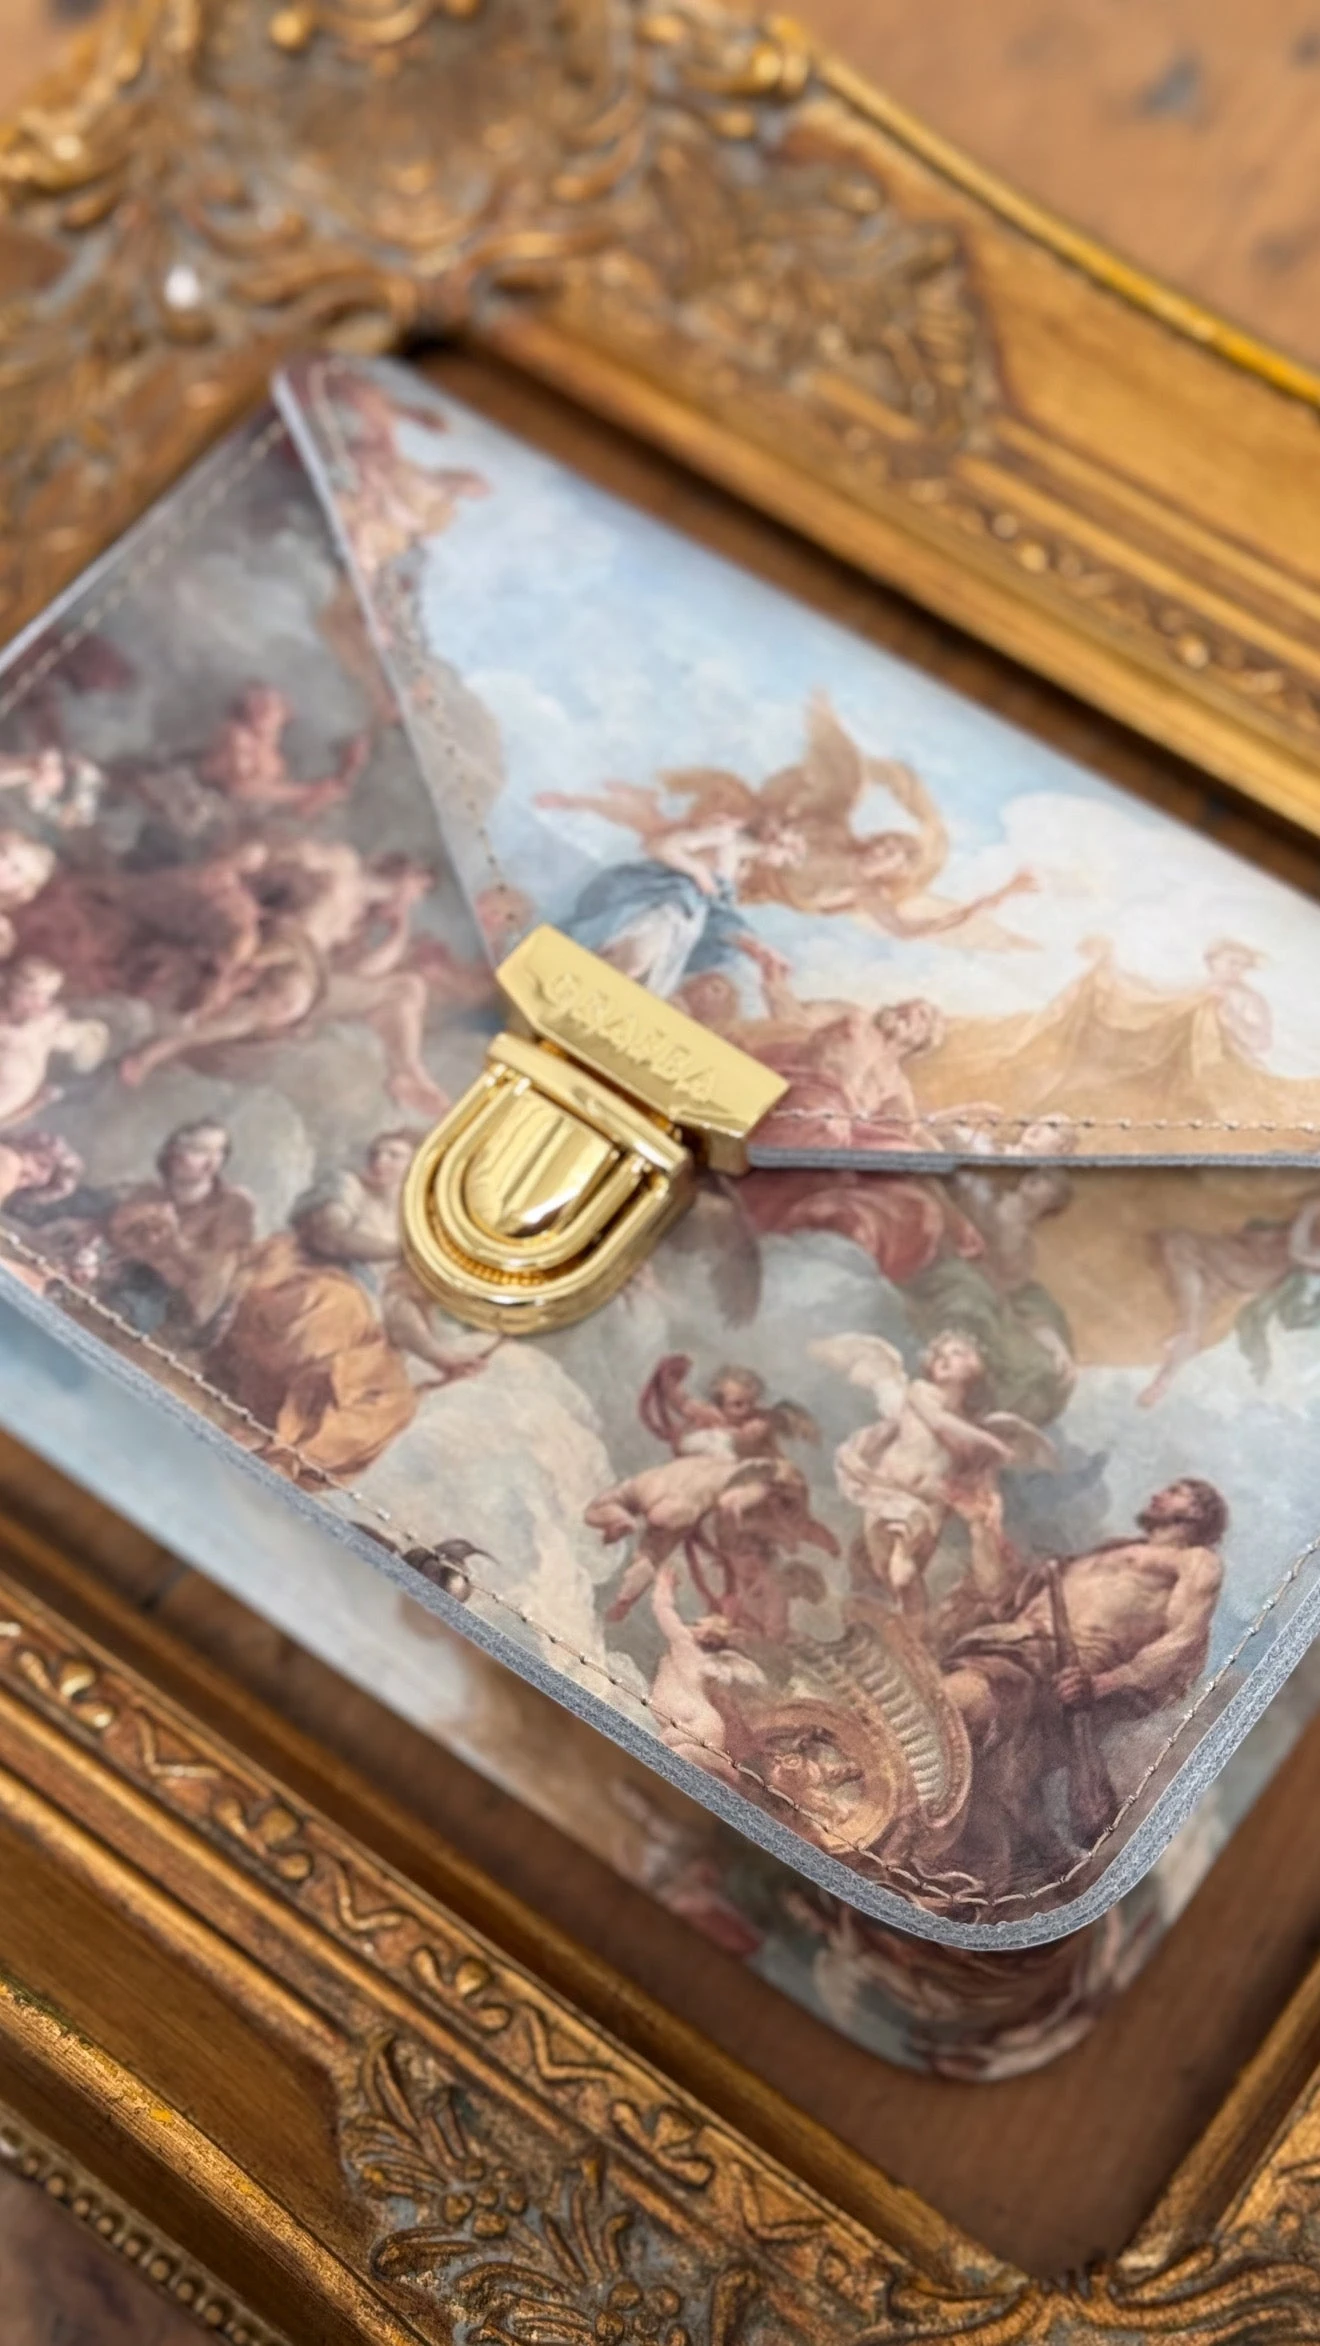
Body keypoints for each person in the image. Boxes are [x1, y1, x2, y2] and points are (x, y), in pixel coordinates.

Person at [941, 1479, 1226, 1891]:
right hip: (1013, 1644)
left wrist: (1105, 1683)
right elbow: (1002, 1595)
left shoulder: (1194, 1561)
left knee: (950, 1712)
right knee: (994, 1784)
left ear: (1197, 1511)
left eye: (1176, 1490)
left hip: (1059, 1672)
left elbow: (1182, 1640)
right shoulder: (1109, 1550)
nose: (1158, 1493)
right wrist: (983, 1527)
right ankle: (1054, 1861)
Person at [207, 1131, 483, 1482]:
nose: (380, 1161)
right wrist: (405, 1251)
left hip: (360, 1316)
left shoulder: (415, 1224)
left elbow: (396, 1306)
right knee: (334, 1313)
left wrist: (439, 1356)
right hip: (301, 1279)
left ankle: (291, 1453)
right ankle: (278, 1425)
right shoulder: (347, 1186)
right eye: (377, 1152)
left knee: (393, 1398)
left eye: (394, 1155)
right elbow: (330, 1237)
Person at [106, 1118, 255, 1345]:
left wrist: (174, 1240)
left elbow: (213, 1269)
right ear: (173, 1154)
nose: (211, 1163)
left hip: (180, 1309)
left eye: (219, 1153)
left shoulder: (232, 1205)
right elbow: (115, 1239)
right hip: (129, 1284)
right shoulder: (149, 1193)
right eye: (200, 1151)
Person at [647, 1561, 767, 1785]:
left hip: (701, 1724)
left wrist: (664, 1585)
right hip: (705, 1725)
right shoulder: (697, 1656)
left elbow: (663, 1610)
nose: (694, 1625)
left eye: (700, 1623)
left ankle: (728, 1773)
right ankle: (728, 1771)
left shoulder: (686, 1645)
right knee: (674, 1757)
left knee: (664, 1754)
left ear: (707, 1634)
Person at [0, 955, 108, 1127]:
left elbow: (80, 1044)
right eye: (31, 994)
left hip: (22, 1098)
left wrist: (88, 1035)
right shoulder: (26, 1029)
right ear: (9, 990)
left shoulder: (44, 1024)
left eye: (47, 996)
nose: (40, 1003)